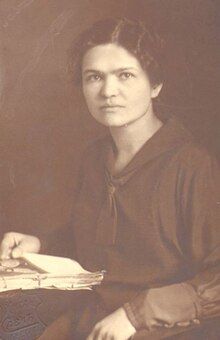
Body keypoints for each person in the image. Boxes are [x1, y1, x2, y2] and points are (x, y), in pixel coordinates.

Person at [0, 18, 220, 340]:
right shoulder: (95, 159)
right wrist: (40, 245)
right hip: (97, 315)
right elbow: (99, 247)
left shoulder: (194, 167)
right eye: (94, 77)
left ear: (155, 85)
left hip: (170, 328)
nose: (108, 91)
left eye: (125, 75)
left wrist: (136, 315)